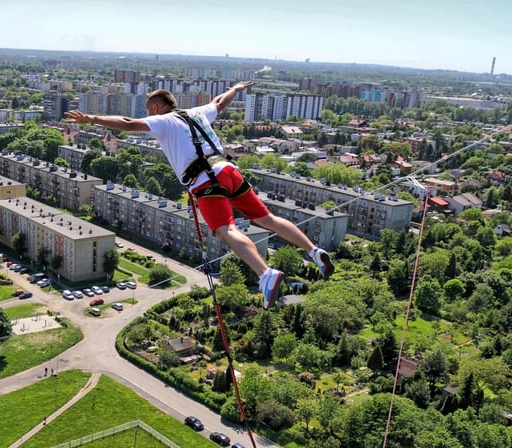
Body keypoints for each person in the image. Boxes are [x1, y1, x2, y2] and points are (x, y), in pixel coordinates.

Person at [65, 81, 333, 309]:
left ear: (157, 108)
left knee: (226, 230)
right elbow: (220, 102)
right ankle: (313, 250)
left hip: (205, 180)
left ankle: (266, 274)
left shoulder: (162, 121)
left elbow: (127, 123)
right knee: (268, 219)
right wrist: (235, 88)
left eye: (149, 110)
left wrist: (91, 119)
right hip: (229, 171)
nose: (148, 115)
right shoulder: (197, 113)